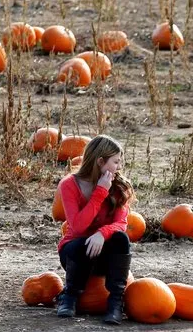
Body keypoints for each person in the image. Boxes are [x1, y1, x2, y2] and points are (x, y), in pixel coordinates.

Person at [56, 135, 134, 325]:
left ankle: (115, 302)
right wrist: (100, 192)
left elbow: (121, 223)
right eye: (115, 162)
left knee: (120, 239)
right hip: (76, 255)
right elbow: (78, 226)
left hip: (104, 256)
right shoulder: (69, 185)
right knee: (77, 245)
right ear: (100, 161)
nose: (119, 167)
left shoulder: (118, 186)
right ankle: (70, 296)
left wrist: (102, 233)